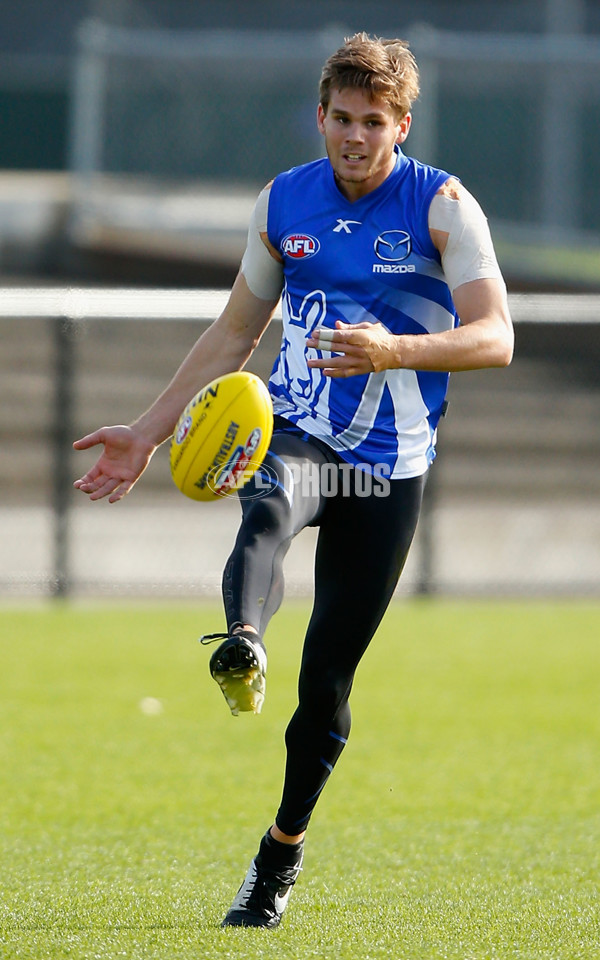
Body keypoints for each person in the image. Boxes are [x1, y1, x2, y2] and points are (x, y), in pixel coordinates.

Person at [73, 32, 513, 928]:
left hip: (390, 469)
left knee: (327, 692)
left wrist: (394, 349)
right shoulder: (283, 201)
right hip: (298, 429)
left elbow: (497, 337)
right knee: (266, 508)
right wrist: (148, 434)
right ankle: (240, 639)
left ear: (402, 126)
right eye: (341, 120)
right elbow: (235, 330)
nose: (354, 138)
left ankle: (279, 855)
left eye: (373, 124)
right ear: (321, 115)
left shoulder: (444, 207)